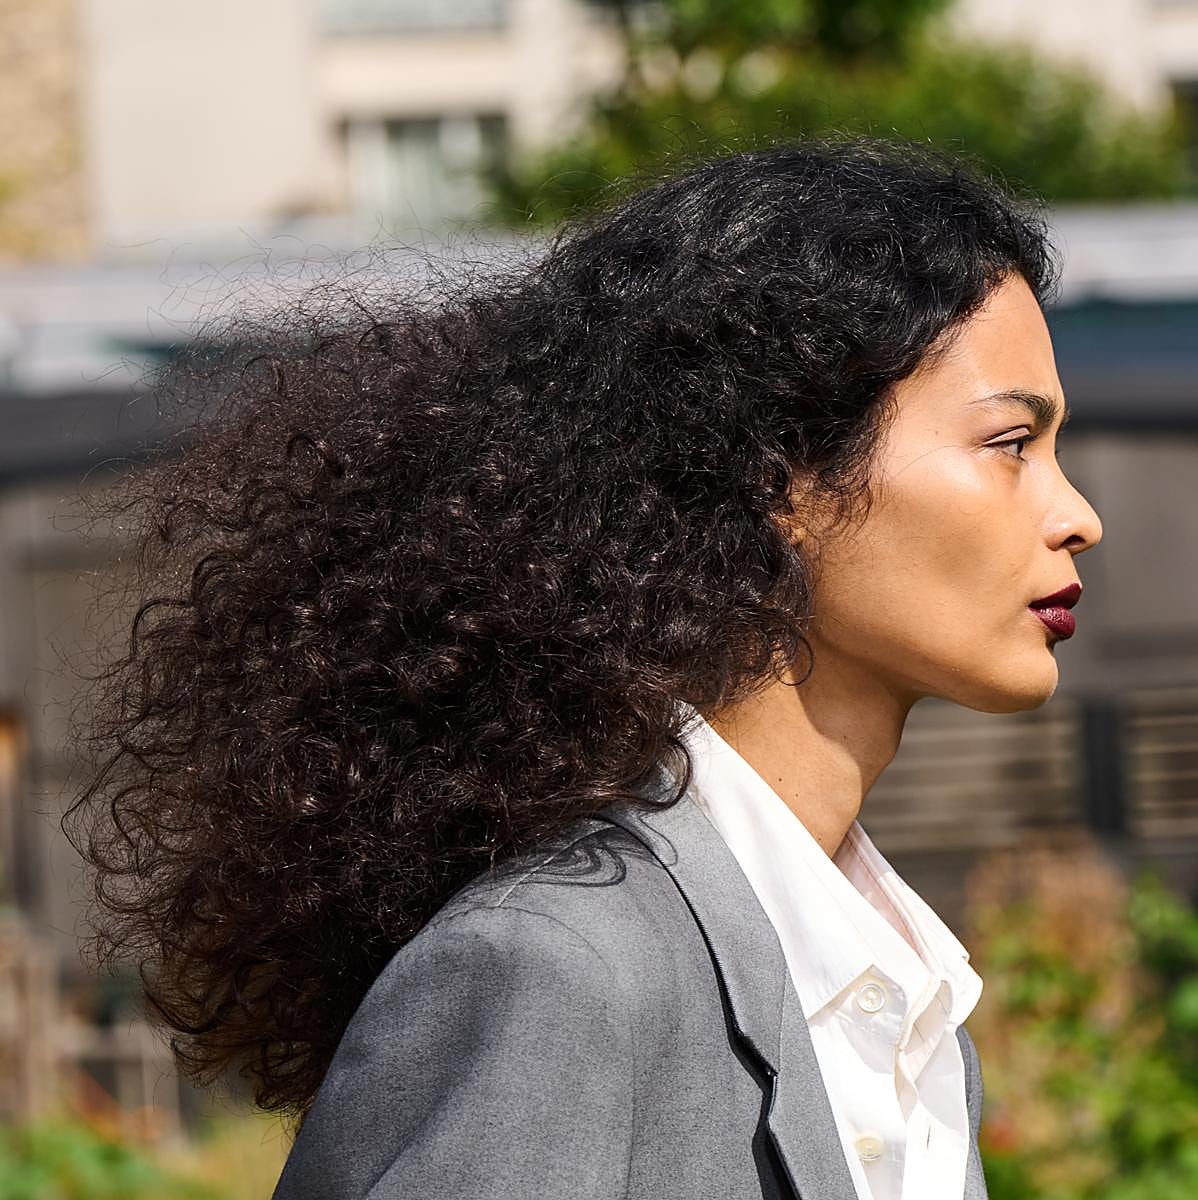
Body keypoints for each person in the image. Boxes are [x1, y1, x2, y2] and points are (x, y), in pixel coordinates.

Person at [70, 138, 1102, 1200]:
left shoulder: (905, 1007)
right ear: (776, 478)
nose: (1078, 516)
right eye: (1010, 443)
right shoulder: (558, 969)